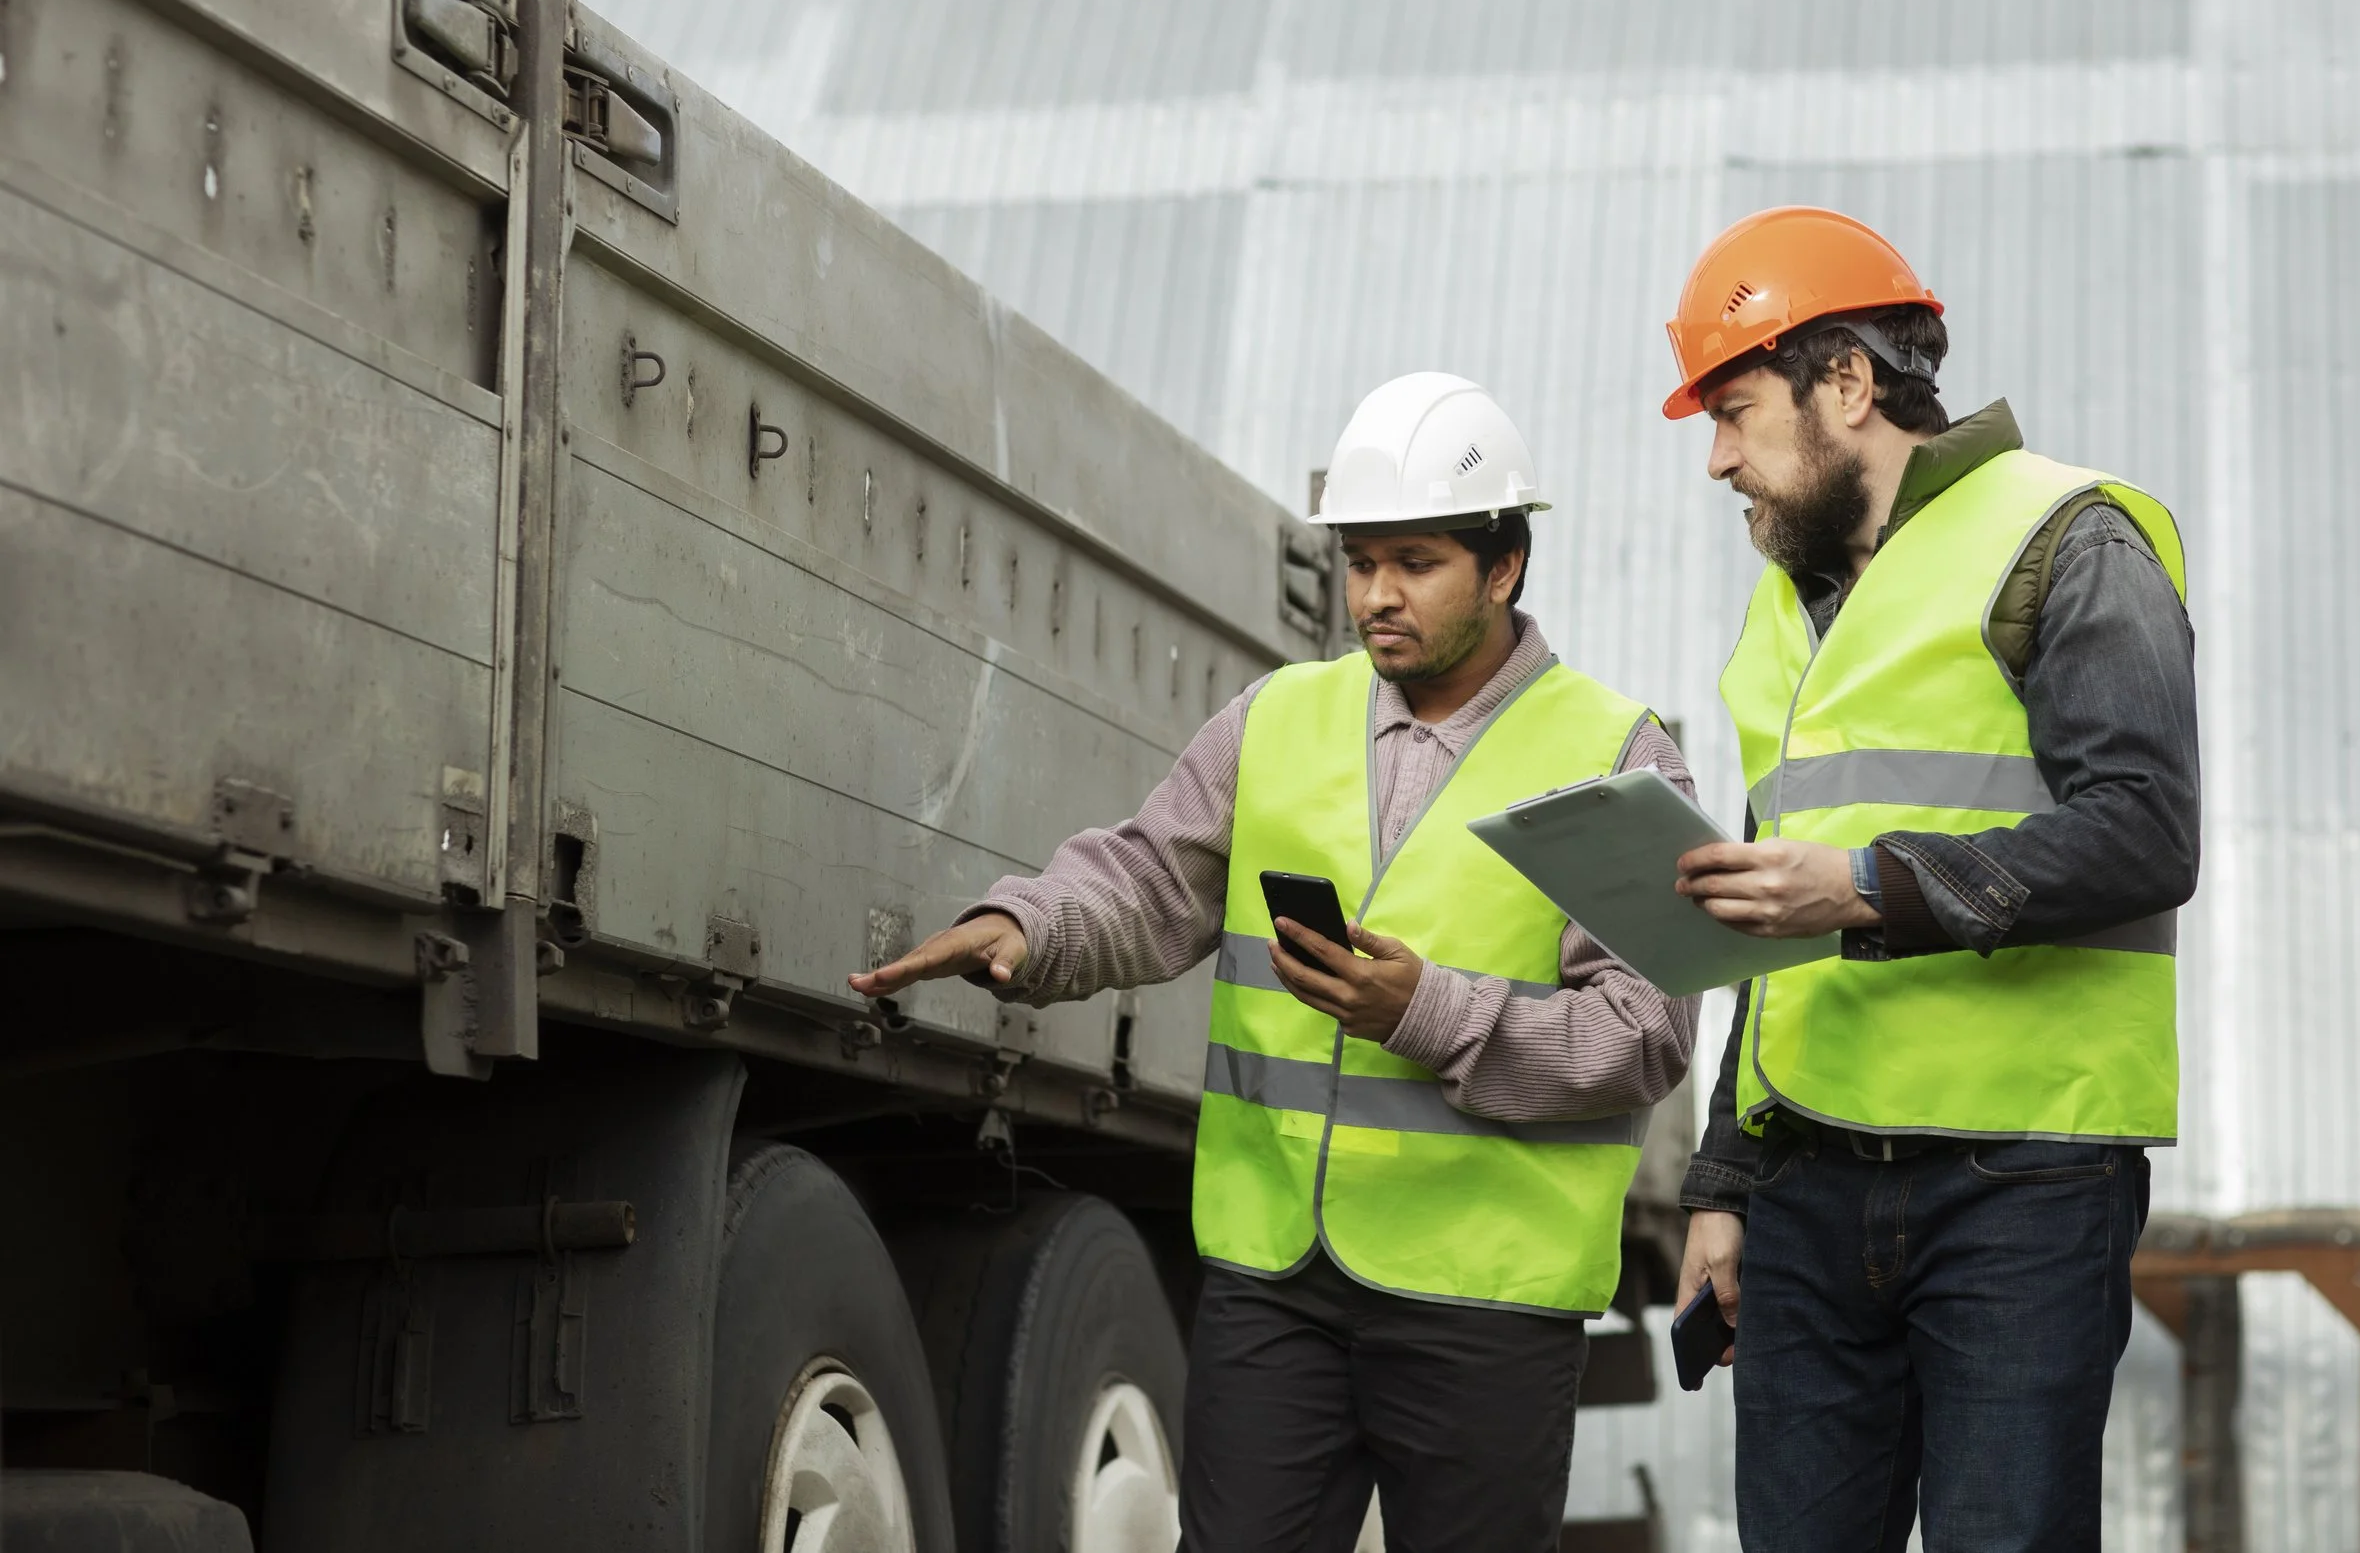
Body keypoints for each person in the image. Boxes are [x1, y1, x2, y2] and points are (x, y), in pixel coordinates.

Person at [853, 371, 1697, 1553]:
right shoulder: (1277, 717)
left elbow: (1644, 1031)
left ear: (1502, 567)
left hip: (1484, 1303)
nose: (1376, 596)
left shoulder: (1615, 752)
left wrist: (1428, 1009)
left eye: (1414, 562)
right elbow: (1148, 880)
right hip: (1275, 1282)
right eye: (1359, 563)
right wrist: (1029, 929)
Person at [1659, 206, 2199, 1551]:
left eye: (1734, 411)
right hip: (1804, 1196)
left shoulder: (2068, 539)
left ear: (1846, 381)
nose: (1718, 457)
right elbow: (1766, 926)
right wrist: (1723, 1179)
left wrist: (1862, 886)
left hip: (2019, 1188)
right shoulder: (1783, 616)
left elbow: (2144, 830)